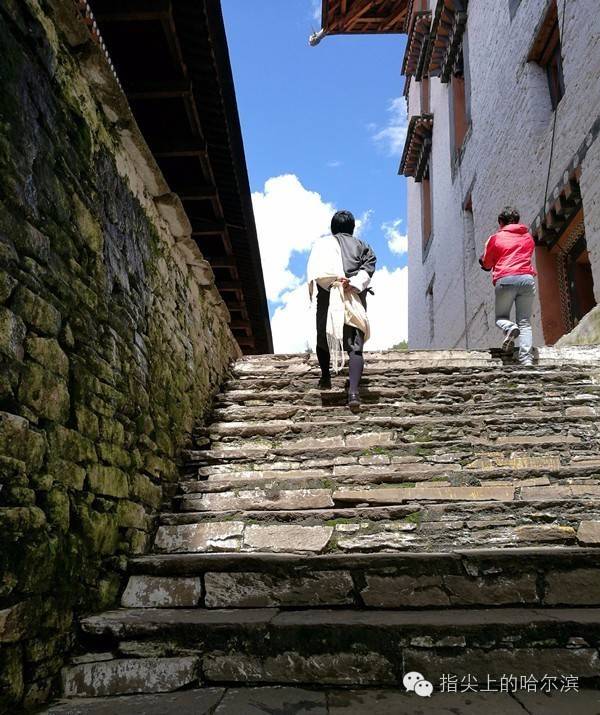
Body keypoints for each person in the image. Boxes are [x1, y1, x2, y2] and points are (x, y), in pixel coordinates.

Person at [307, 210, 376, 411]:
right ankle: (353, 392)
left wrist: (335, 282)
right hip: (354, 297)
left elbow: (316, 272)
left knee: (323, 336)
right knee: (355, 344)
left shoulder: (321, 245)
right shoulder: (363, 246)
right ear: (352, 228)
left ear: (333, 227)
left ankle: (325, 377)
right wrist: (351, 283)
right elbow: (368, 268)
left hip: (327, 297)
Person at [479, 206, 537, 365]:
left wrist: (483, 262)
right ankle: (526, 360)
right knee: (524, 321)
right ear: (517, 221)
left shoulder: (495, 238)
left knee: (501, 317)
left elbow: (487, 262)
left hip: (505, 279)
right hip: (526, 279)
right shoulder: (528, 237)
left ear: (500, 222)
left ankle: (510, 328)